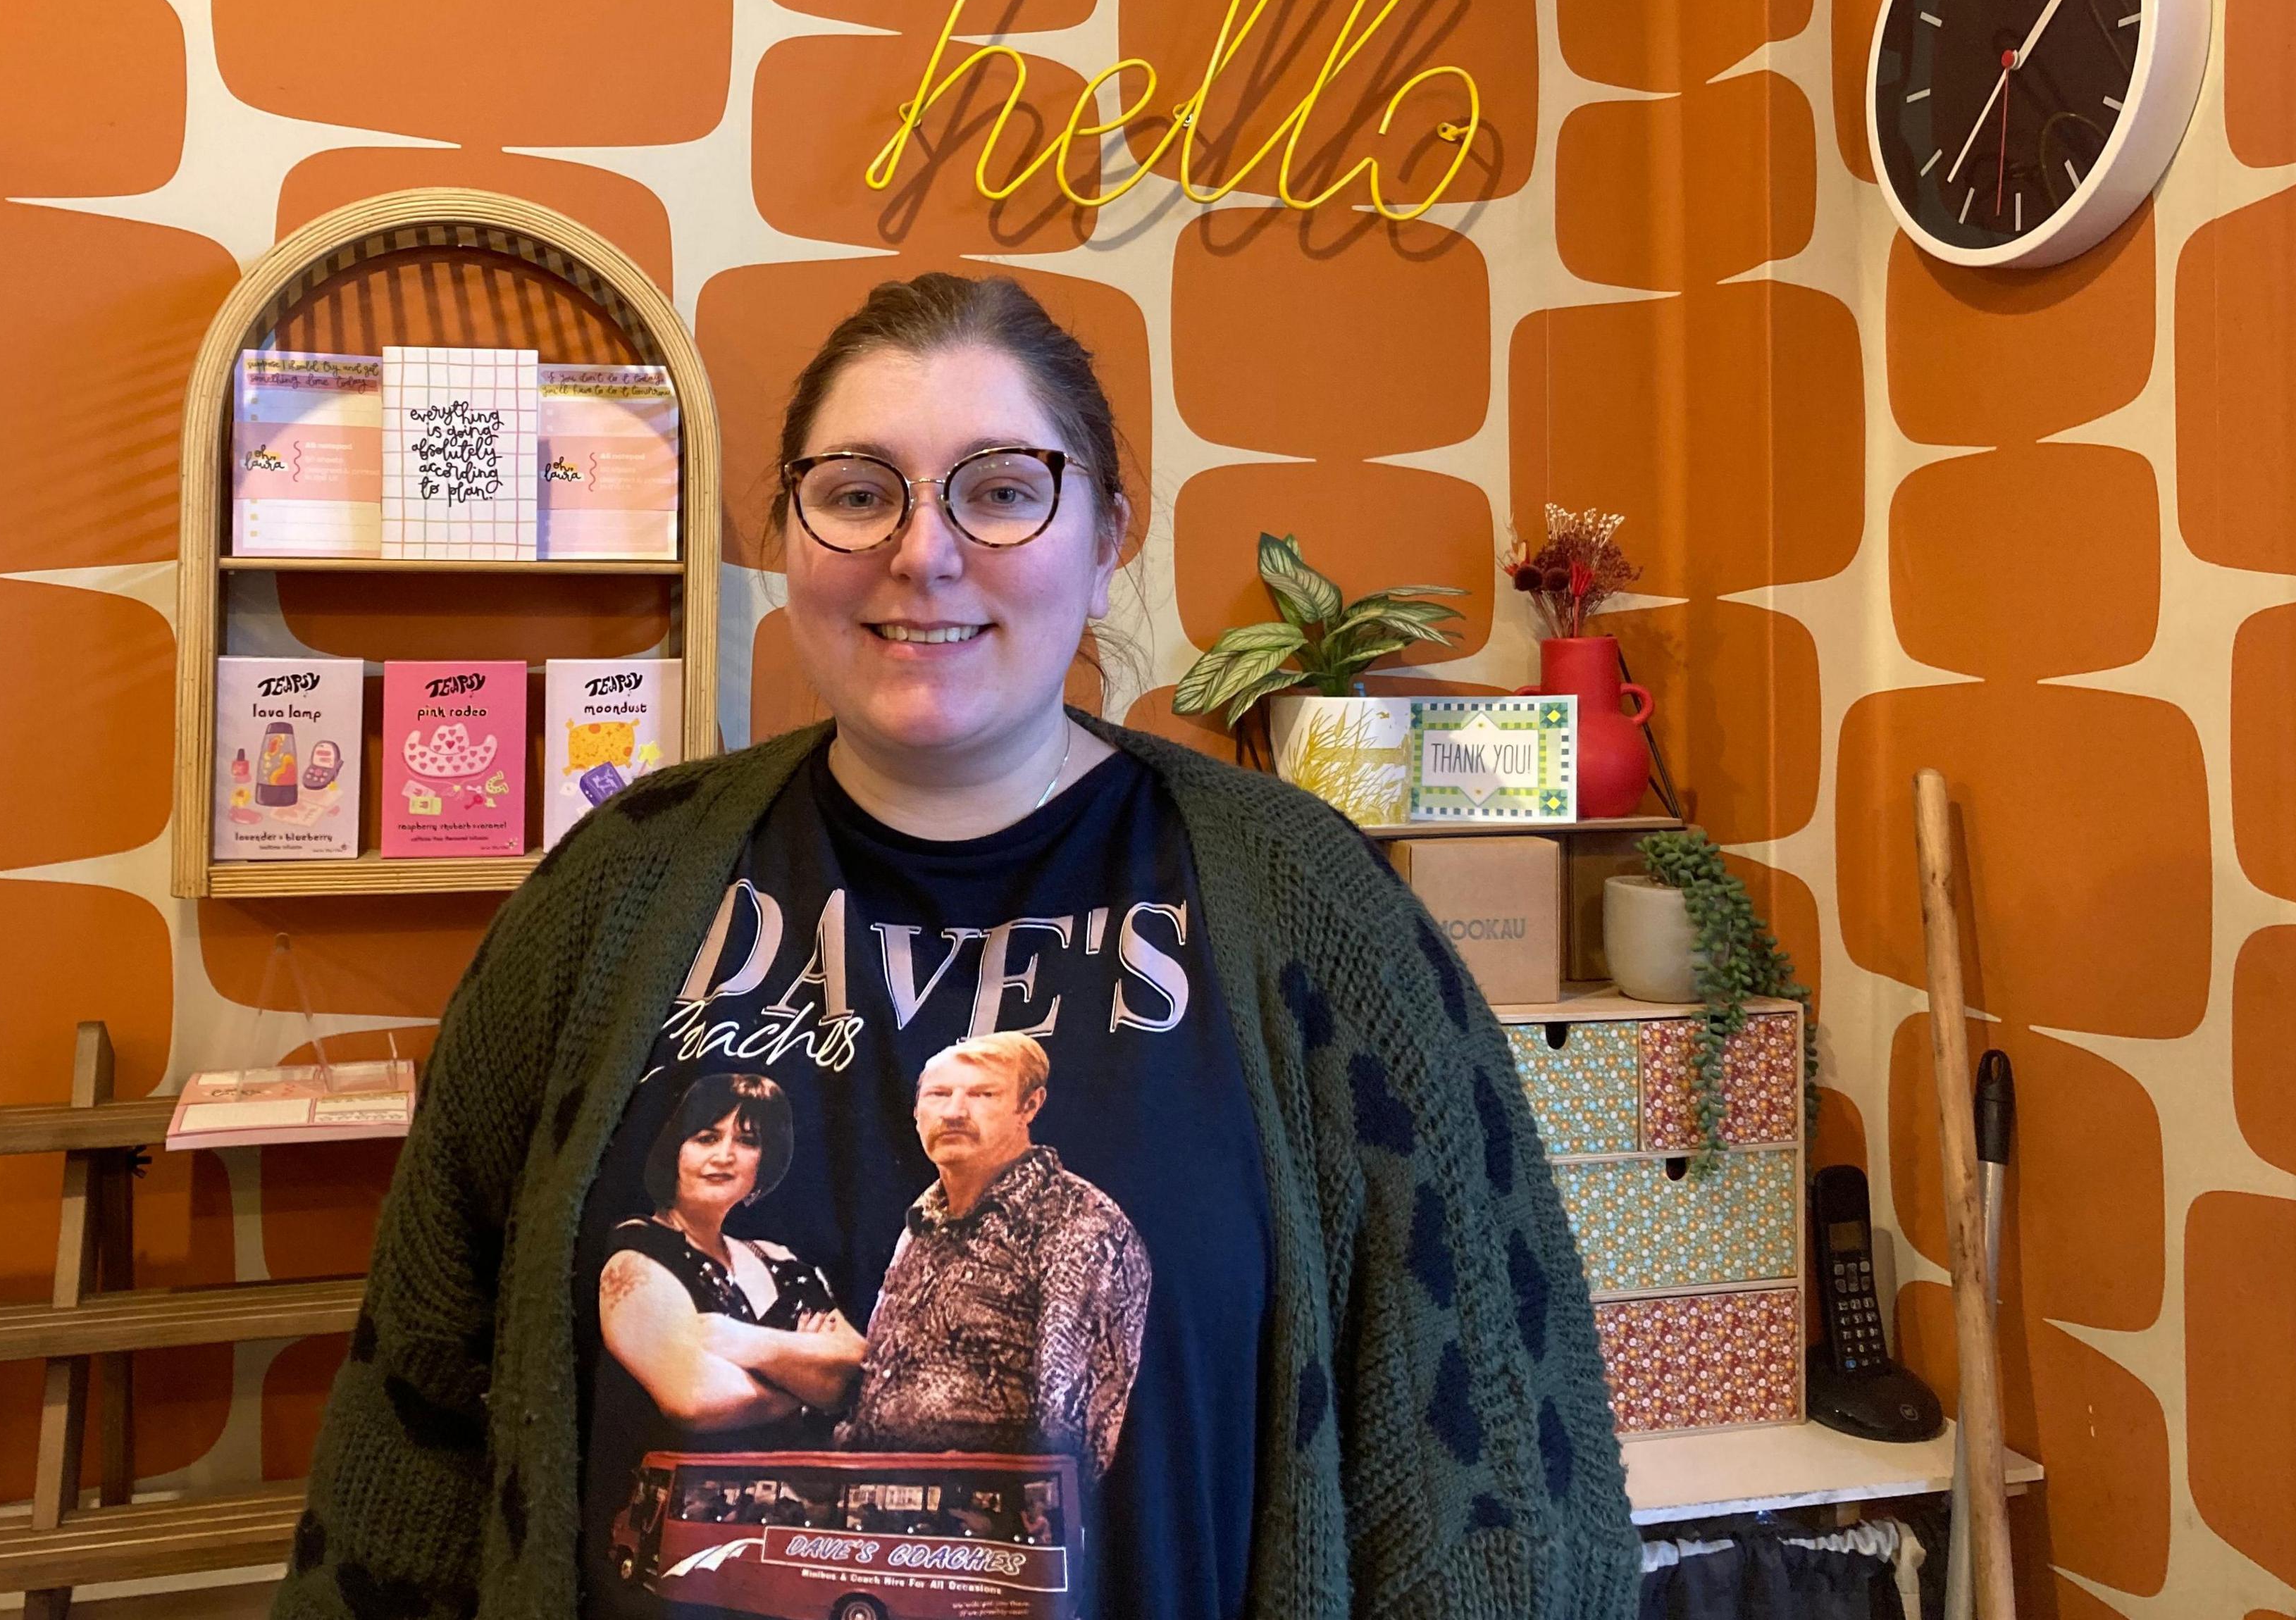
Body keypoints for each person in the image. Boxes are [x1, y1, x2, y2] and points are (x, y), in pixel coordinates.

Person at [277, 273, 1639, 1620]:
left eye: (999, 489)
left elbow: (1501, 1476)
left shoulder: (1314, 908)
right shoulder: (611, 895)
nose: (922, 552)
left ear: (1108, 532)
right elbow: (418, 1418)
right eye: (860, 490)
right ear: (793, 532)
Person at [838, 1033, 1150, 1483]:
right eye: (939, 1095)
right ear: (916, 1111)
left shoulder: (1079, 1222)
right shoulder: (923, 1220)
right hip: (881, 1514)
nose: (953, 1113)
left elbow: (1071, 1433)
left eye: (983, 1094)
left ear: (1029, 1106)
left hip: (984, 1527)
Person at [594, 1073, 863, 1433]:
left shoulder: (779, 1262)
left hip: (807, 1485)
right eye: (707, 1138)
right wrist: (808, 1378)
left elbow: (859, 1370)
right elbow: (695, 1398)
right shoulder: (637, 1253)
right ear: (674, 1148)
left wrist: (742, 1341)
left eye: (747, 1141)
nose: (725, 1156)